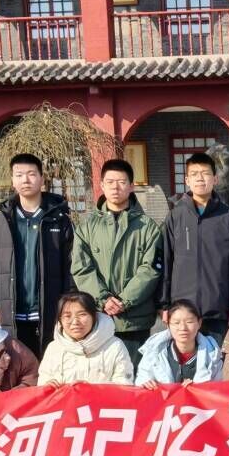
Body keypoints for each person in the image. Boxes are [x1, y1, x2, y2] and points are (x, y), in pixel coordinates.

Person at [71, 158, 162, 368]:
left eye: (121, 182)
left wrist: (123, 300)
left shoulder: (147, 227)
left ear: (131, 186)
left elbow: (151, 269)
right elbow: (81, 267)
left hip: (135, 321)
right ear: (102, 185)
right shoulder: (87, 226)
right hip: (98, 317)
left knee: (135, 375)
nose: (115, 187)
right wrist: (103, 299)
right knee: (101, 375)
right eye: (110, 182)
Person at [0, 153, 75, 359]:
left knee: (50, 366)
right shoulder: (1, 220)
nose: (25, 180)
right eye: (19, 175)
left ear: (42, 179)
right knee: (17, 367)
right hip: (12, 310)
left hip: (49, 309)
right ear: (12, 180)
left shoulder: (59, 219)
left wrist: (69, 304)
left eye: (32, 174)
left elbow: (71, 266)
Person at [159, 152, 229, 348]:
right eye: (194, 174)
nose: (200, 178)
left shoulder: (228, 217)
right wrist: (164, 305)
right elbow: (166, 262)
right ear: (187, 180)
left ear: (215, 179)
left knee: (215, 360)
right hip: (182, 310)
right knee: (183, 360)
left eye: (205, 173)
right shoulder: (176, 216)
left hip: (217, 309)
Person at [38, 291, 134, 386]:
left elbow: (124, 383)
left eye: (82, 314)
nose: (75, 322)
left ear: (94, 316)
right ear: (60, 320)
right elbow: (43, 380)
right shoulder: (54, 348)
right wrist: (47, 385)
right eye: (67, 316)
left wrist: (92, 389)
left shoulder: (114, 346)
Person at [136, 299, 224, 387]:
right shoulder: (153, 351)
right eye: (176, 323)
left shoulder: (212, 354)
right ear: (168, 325)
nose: (183, 328)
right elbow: (142, 379)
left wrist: (197, 388)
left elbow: (218, 388)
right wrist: (146, 384)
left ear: (199, 323)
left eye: (189, 322)